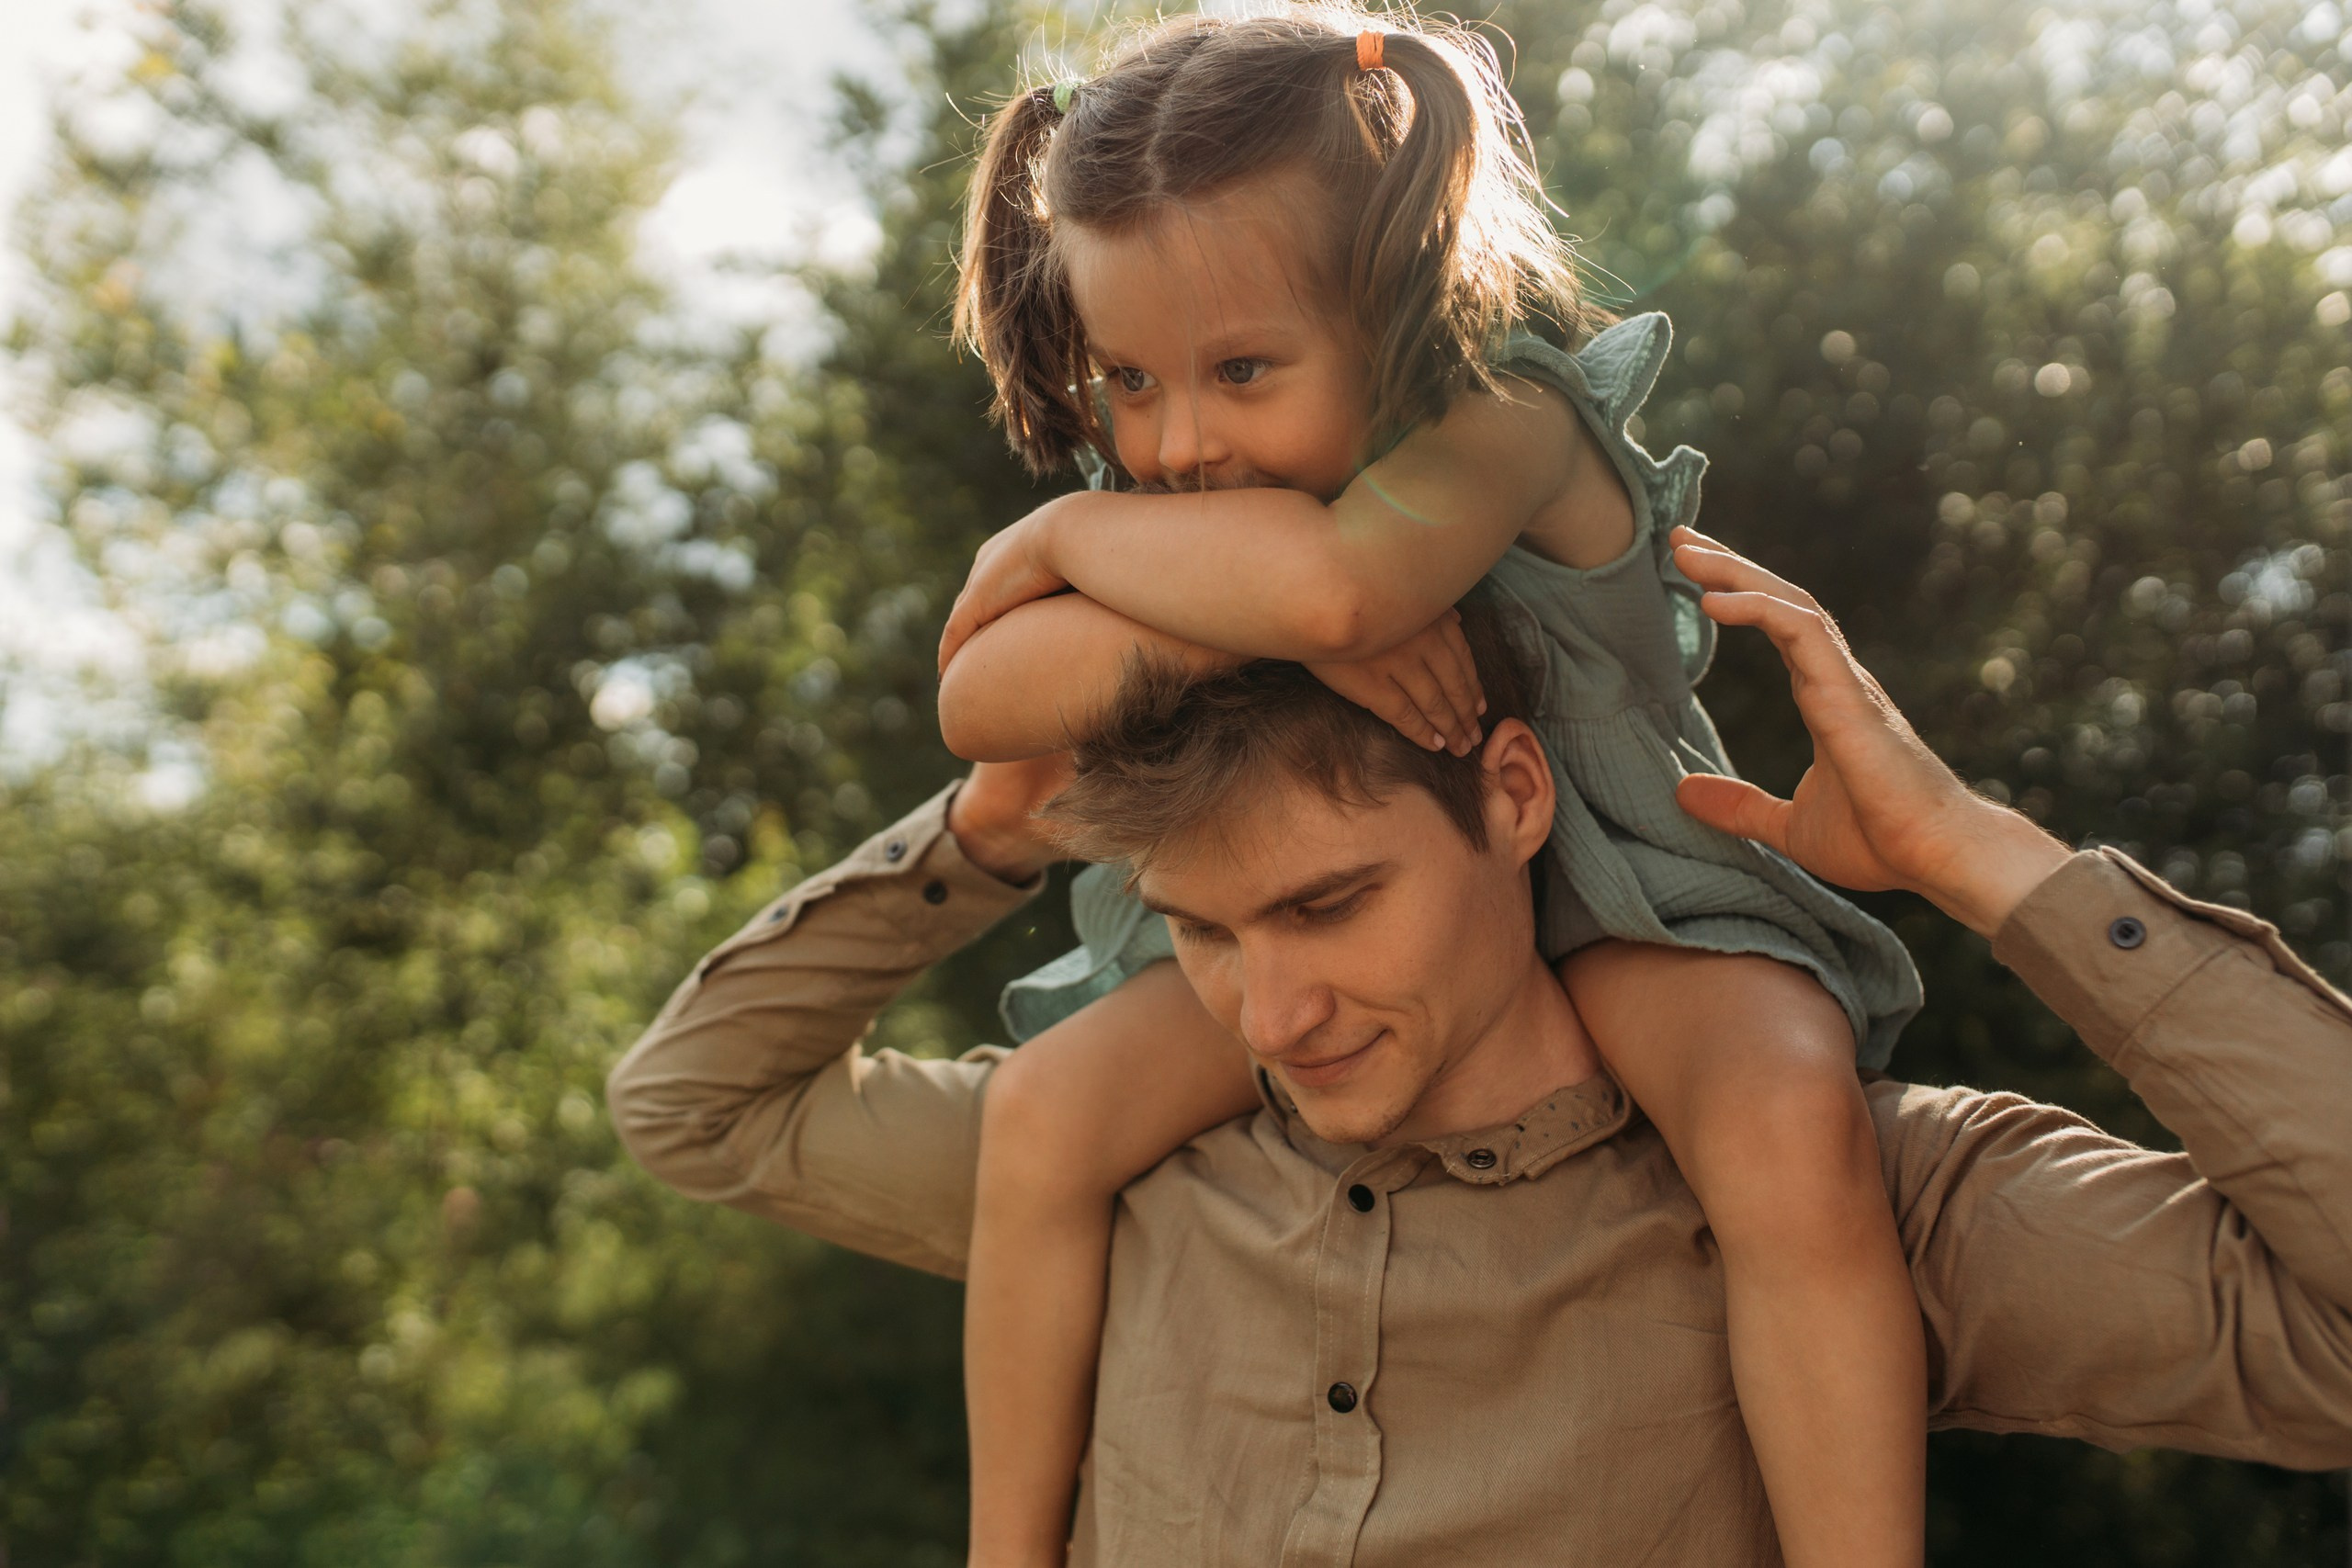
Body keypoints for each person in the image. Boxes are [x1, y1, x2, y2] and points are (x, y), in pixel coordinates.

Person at [606, 531, 2352, 1565]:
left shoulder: (1854, 1194)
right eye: (1201, 932)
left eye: (1328, 905)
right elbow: (697, 1107)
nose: (1272, 1017)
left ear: (1513, 795)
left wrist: (1984, 859)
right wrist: (985, 831)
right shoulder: (1118, 1180)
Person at [934, 12, 1920, 1564]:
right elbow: (979, 700)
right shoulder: (1192, 482)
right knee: (1045, 1113)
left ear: (1395, 290)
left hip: (1627, 896)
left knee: (1787, 1116)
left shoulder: (1504, 420)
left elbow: (1340, 590)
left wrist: (1081, 558)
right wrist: (1105, 559)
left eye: (1241, 370)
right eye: (1126, 379)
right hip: (1345, 928)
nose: (1175, 445)